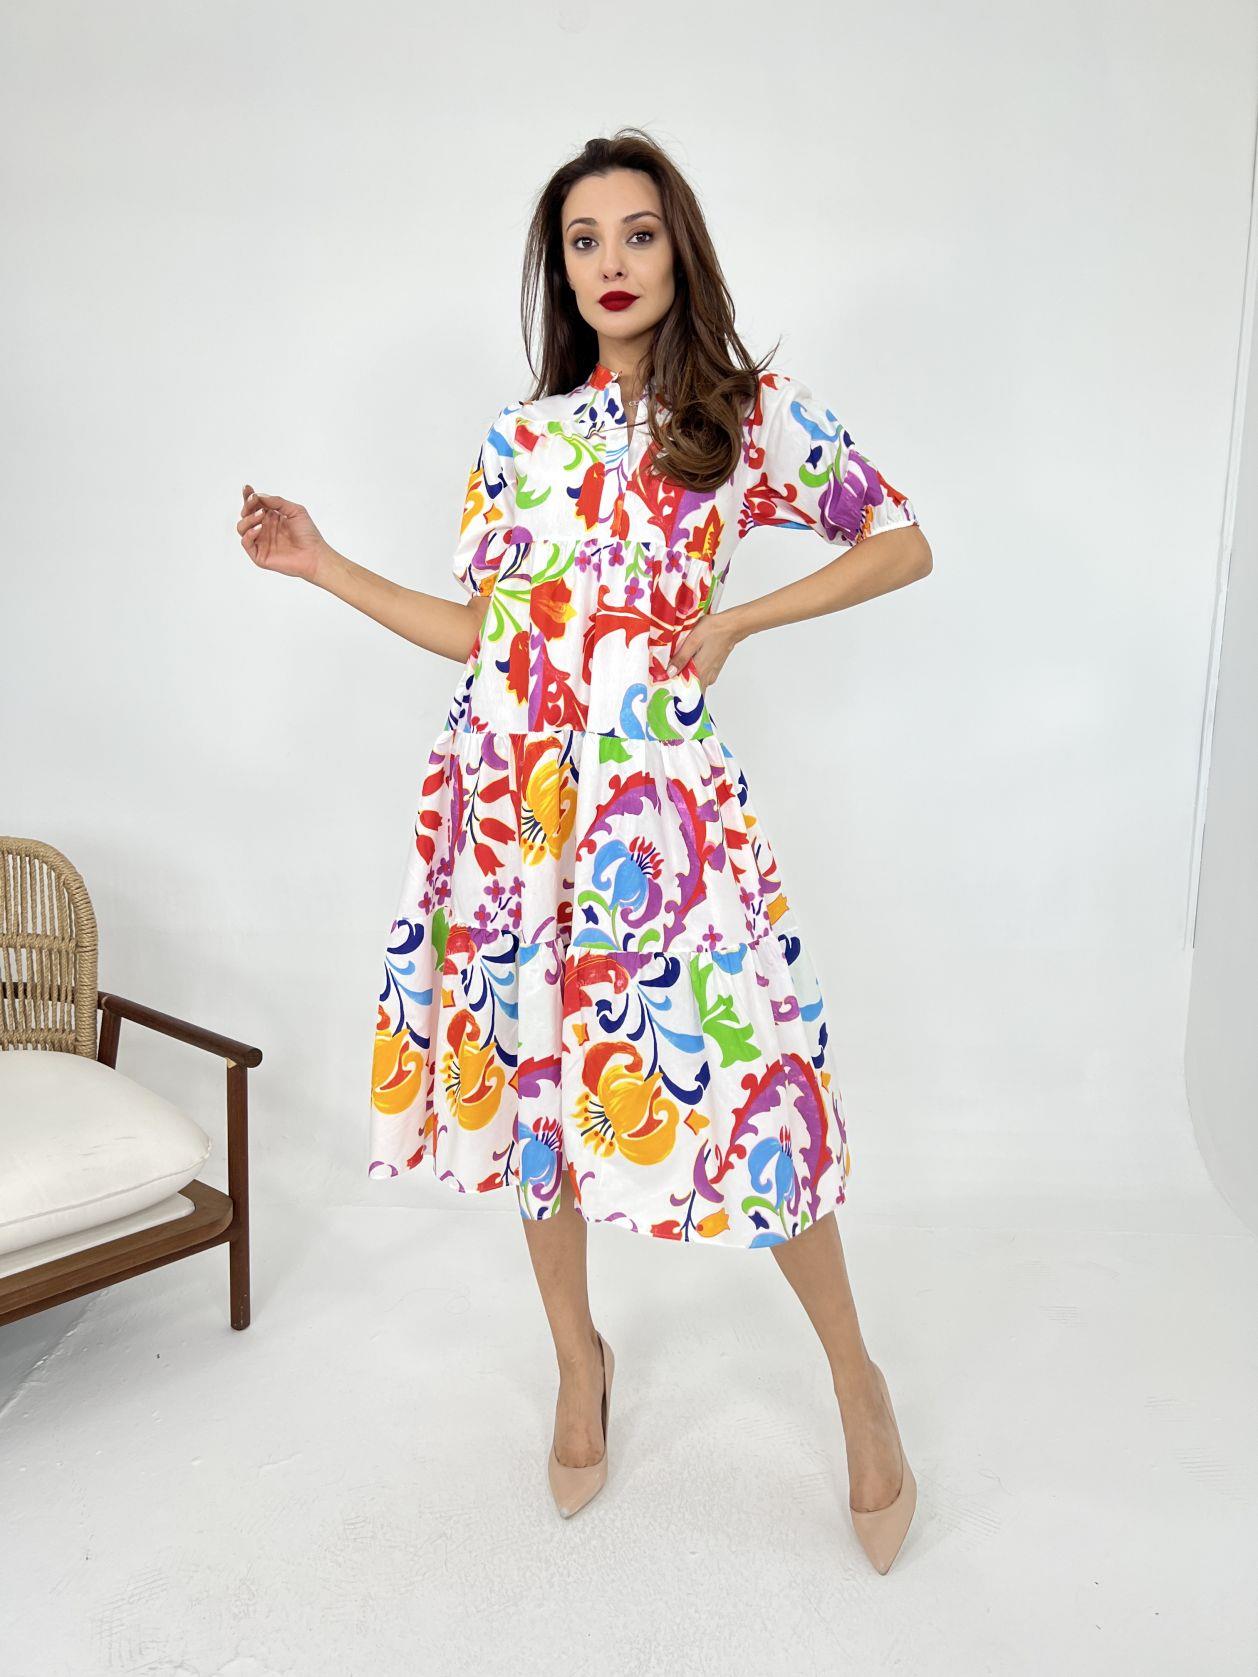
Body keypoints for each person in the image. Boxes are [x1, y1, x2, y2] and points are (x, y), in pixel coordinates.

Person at [235, 128, 932, 1573]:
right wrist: (320, 562)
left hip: (660, 815)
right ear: (559, 270)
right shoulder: (521, 439)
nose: (611, 262)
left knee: (753, 1090)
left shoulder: (741, 415)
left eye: (638, 233)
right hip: (511, 803)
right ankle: (577, 1360)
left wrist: (737, 620)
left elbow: (898, 541)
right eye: (583, 241)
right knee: (538, 1092)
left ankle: (855, 1379)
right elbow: (484, 634)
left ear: (679, 249)